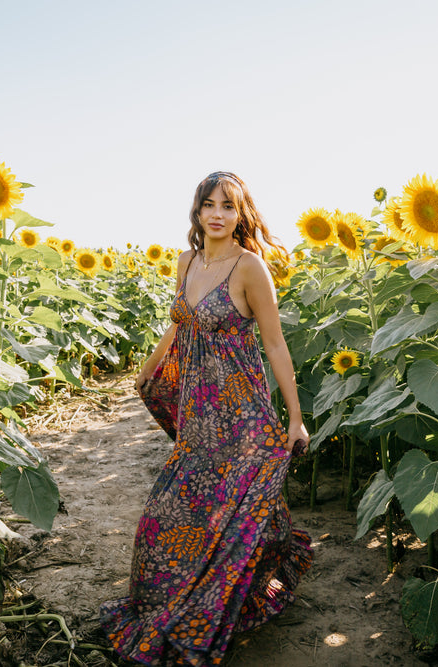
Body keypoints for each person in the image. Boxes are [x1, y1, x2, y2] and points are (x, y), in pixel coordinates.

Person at [100, 171, 313, 665]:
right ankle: (201, 594)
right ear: (197, 212)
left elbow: (275, 345)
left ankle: (215, 608)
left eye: (228, 206)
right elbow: (179, 324)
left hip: (242, 417)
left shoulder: (249, 268)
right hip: (198, 419)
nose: (218, 213)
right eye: (209, 204)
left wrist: (295, 419)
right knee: (165, 520)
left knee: (230, 513)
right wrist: (150, 367)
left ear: (241, 215)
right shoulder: (187, 261)